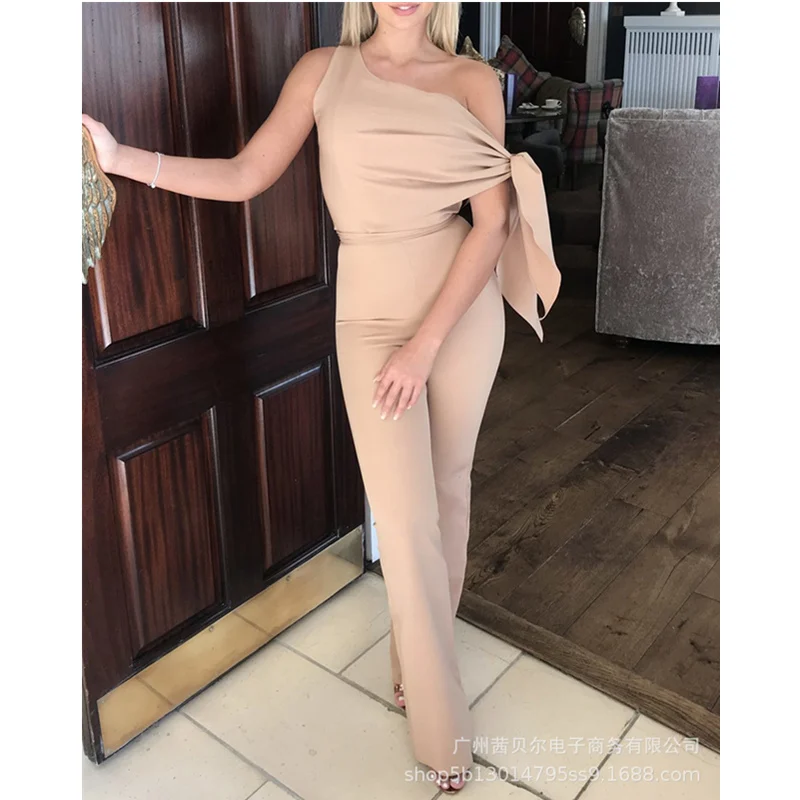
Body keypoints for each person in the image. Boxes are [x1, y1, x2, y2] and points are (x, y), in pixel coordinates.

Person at [82, 2, 560, 793]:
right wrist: (122, 156)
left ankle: (416, 659)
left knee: (447, 494)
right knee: (404, 520)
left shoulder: (475, 81)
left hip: (459, 314)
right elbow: (245, 175)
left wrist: (425, 345)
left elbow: (491, 222)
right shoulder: (323, 72)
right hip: (369, 317)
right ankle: (444, 731)